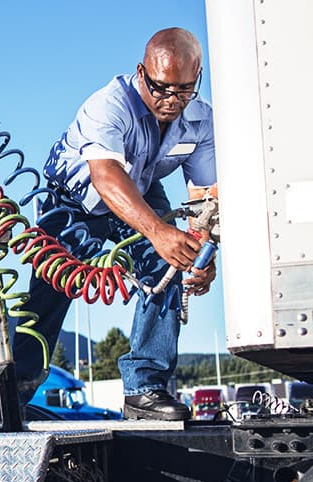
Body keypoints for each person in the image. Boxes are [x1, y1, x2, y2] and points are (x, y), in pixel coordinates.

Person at [12, 28, 217, 421]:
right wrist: (158, 232)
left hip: (141, 185)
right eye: (161, 88)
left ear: (198, 78)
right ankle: (15, 389)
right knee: (53, 286)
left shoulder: (202, 120)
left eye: (184, 90)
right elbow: (106, 176)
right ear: (142, 72)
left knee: (168, 265)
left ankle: (145, 388)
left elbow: (205, 198)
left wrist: (203, 255)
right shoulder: (108, 105)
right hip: (77, 195)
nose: (171, 101)